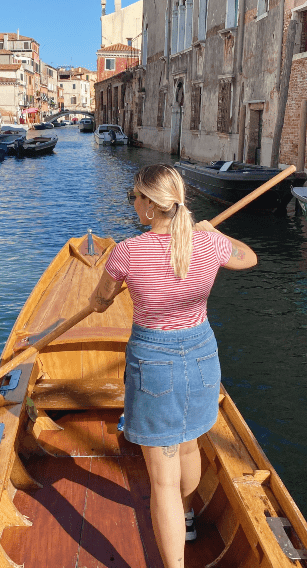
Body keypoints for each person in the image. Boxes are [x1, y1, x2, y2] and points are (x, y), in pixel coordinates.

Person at [89, 164, 257, 568]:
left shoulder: (127, 252)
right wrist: (214, 234)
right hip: (201, 355)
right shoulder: (208, 246)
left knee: (161, 479)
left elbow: (98, 301)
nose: (133, 204)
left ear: (149, 205)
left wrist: (105, 296)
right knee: (188, 444)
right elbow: (248, 257)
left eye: (135, 198)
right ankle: (186, 514)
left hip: (154, 364)